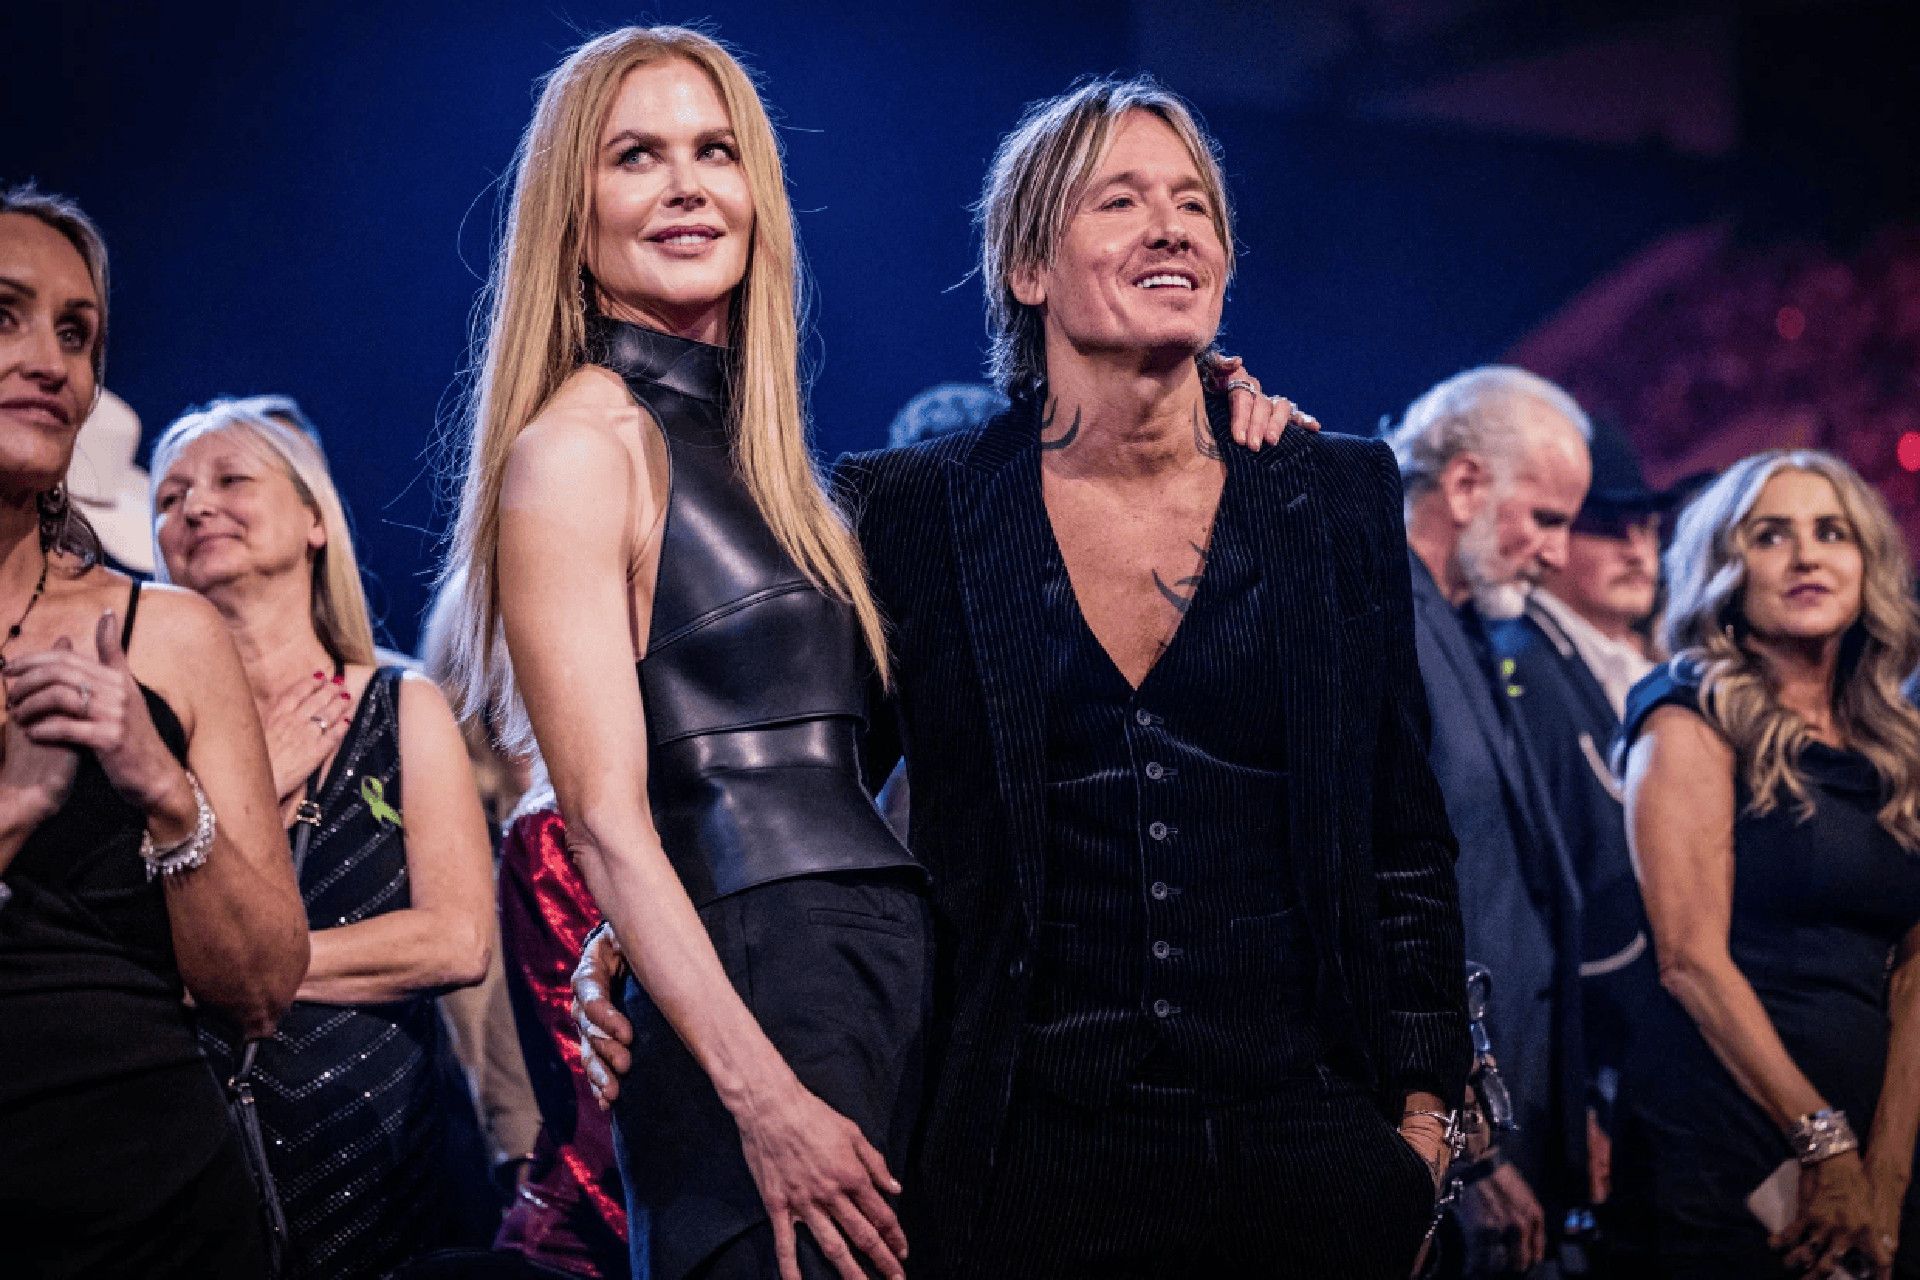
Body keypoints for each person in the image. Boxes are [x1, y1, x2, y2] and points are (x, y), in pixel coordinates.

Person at [574, 72, 1459, 1278]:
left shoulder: (1334, 491)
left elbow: (1406, 835)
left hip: (1309, 1151)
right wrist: (651, 920)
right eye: (1121, 200)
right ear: (1028, 267)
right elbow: (804, 778)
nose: (1170, 228)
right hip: (1019, 1161)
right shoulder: (909, 509)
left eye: (1194, 204)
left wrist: (1424, 1125)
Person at [0, 187, 308, 1278]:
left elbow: (263, 988)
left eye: (76, 333)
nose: (50, 360)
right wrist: (19, 809)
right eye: (4, 316)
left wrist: (166, 791)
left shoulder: (169, 633)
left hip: (155, 1209)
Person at [149, 398, 495, 1278]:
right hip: (192, 1162)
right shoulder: (145, 739)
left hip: (377, 1154)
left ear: (314, 520)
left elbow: (457, 940)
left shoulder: (401, 706)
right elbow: (123, 948)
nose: (195, 506)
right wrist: (253, 785)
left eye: (231, 480)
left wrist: (234, 974)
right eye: (170, 497)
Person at [1612, 449, 1920, 1279]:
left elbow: (1915, 969)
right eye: (1771, 535)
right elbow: (1689, 961)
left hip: (1872, 1138)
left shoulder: (1898, 743)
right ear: (1726, 569)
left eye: (1832, 533)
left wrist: (1887, 1172)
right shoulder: (1686, 717)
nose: (1807, 555)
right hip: (1729, 1134)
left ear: (1869, 563)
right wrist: (1825, 1142)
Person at [1385, 365, 1596, 1276]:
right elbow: (1392, 887)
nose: (1556, 553)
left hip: (1517, 1108)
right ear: (1466, 483)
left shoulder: (1463, 623)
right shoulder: (1384, 612)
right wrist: (1463, 1135)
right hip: (1449, 1132)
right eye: (1544, 518)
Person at [1488, 417, 1669, 1213]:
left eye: (1647, 526)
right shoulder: (1523, 665)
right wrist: (1581, 1091)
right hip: (1590, 1058)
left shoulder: (1638, 666)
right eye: (1606, 526)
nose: (1637, 549)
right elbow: (1541, 892)